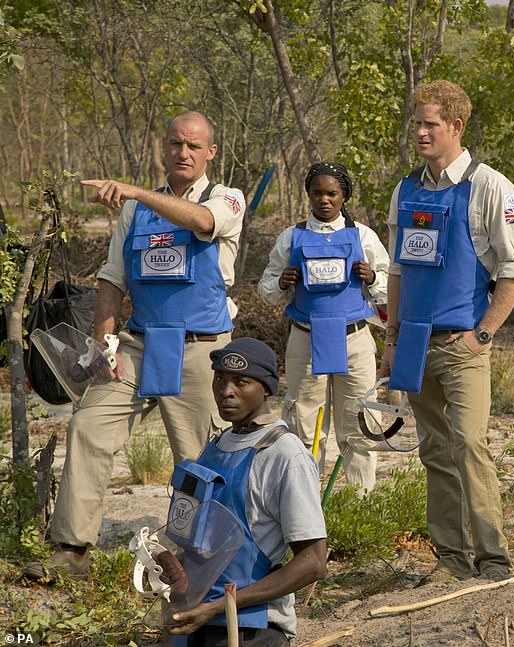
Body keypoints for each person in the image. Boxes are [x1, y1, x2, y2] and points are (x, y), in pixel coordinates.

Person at [25, 110, 246, 581]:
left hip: (201, 350)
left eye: (192, 146)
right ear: (163, 148)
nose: (182, 153)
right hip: (138, 345)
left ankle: (201, 563)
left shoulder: (227, 198)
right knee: (88, 425)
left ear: (210, 152)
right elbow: (111, 280)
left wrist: (136, 190)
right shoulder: (134, 211)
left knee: (196, 461)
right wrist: (104, 340)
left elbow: (201, 221)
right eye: (174, 144)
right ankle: (71, 551)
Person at [379, 80, 514, 582]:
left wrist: (482, 335)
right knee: (435, 452)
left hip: (463, 345)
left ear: (456, 127)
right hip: (414, 344)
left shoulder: (490, 186)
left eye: (431, 124)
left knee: (469, 446)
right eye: (417, 123)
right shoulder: (407, 188)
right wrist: (392, 340)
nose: (420, 132)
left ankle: (495, 560)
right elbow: (399, 269)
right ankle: (451, 559)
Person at [166, 337, 327, 646]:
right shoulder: (215, 446)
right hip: (193, 621)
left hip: (250, 630)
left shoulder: (285, 454)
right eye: (220, 379)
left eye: (241, 382)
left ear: (266, 388)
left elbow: (313, 562)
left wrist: (220, 606)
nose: (227, 391)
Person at [258, 162, 389, 493]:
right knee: (305, 425)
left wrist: (372, 278)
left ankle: (361, 504)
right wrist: (282, 282)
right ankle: (306, 506)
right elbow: (267, 288)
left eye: (332, 193)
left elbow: (391, 285)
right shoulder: (292, 237)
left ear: (344, 195)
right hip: (305, 341)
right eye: (317, 193)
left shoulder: (363, 236)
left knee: (359, 423)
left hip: (354, 339)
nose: (324, 200)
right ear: (308, 195)